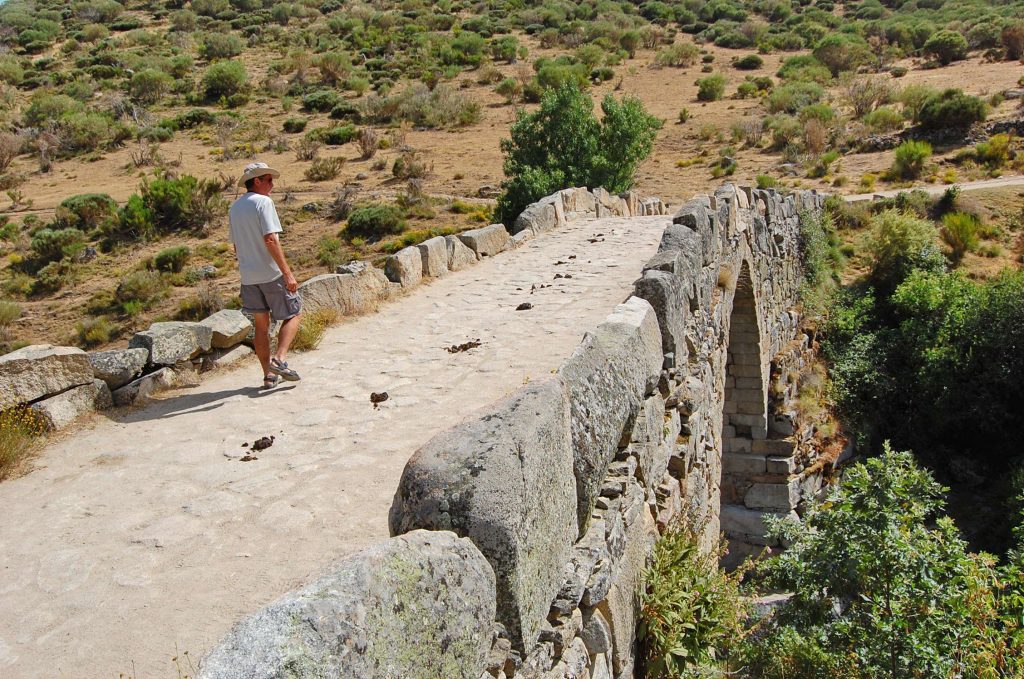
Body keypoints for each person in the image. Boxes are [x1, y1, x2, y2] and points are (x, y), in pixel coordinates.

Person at [229, 162, 302, 390]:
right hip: (271, 273)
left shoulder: (235, 208)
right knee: (294, 313)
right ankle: (279, 359)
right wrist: (287, 273)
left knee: (261, 326)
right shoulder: (263, 202)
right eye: (269, 179)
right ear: (257, 181)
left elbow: (236, 248)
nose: (272, 184)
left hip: (248, 276)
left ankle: (268, 376)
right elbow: (270, 239)